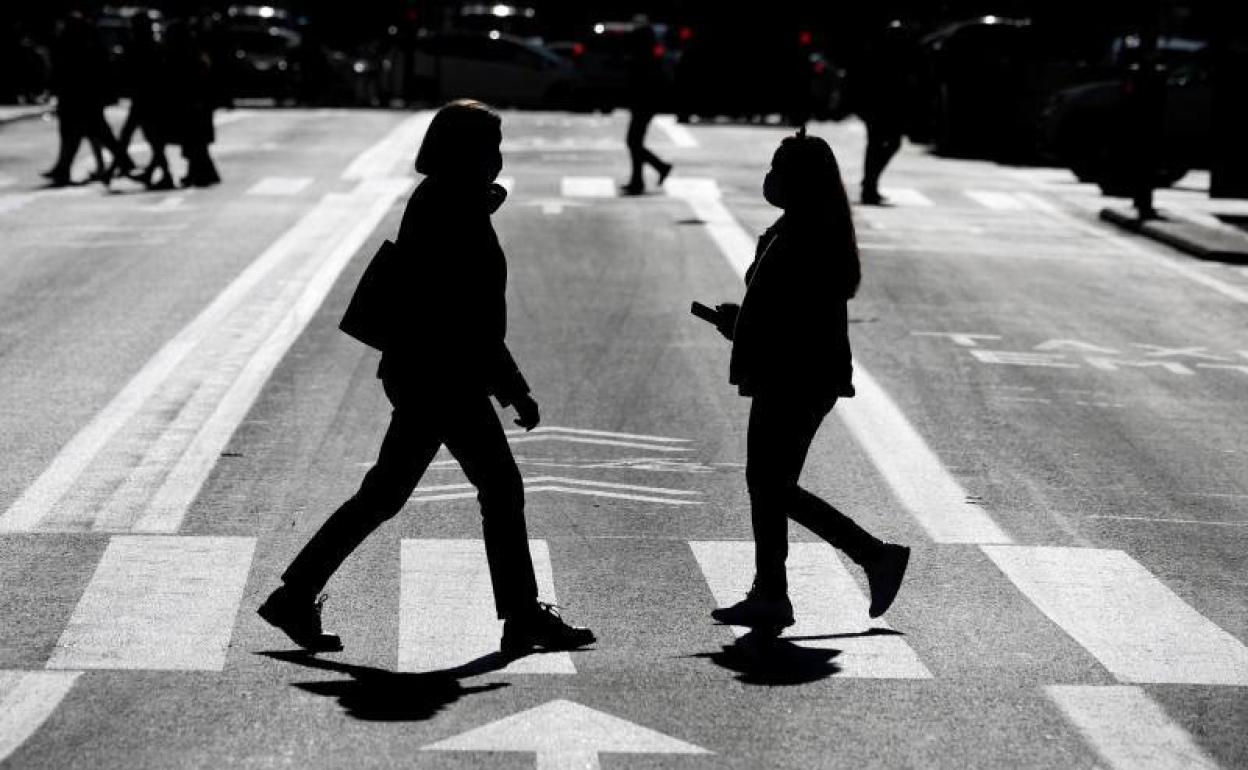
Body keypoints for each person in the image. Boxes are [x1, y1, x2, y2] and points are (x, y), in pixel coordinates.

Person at [259, 100, 595, 656]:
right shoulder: (452, 207)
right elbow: (466, 316)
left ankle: (296, 593)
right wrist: (513, 388)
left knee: (387, 494)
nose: (498, 157)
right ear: (467, 152)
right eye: (490, 146)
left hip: (426, 371)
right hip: (445, 375)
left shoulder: (444, 199)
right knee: (498, 489)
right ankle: (520, 616)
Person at [703, 129, 910, 631]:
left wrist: (747, 326)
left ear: (798, 180)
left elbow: (794, 318)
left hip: (796, 377)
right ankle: (773, 590)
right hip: (792, 372)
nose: (769, 177)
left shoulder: (805, 235)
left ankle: (871, 557)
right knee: (768, 484)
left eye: (778, 168)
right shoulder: (798, 226)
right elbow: (776, 309)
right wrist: (741, 321)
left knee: (771, 485)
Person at [42, 13, 129, 187]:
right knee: (85, 135)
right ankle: (64, 168)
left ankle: (64, 168)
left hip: (79, 98)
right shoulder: (89, 47)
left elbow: (63, 73)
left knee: (82, 134)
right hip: (83, 98)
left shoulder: (76, 48)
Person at [856, 20, 913, 206]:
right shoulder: (878, 56)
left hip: (889, 109)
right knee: (877, 146)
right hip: (877, 109)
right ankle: (869, 185)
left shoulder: (901, 57)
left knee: (887, 145)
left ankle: (870, 182)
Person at [116, 13, 173, 189]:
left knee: (147, 137)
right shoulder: (154, 46)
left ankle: (163, 174)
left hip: (145, 98)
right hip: (150, 97)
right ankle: (155, 172)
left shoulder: (140, 46)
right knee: (151, 138)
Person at [165, 20, 221, 188]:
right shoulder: (193, 52)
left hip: (195, 104)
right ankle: (199, 173)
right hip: (196, 103)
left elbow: (196, 80)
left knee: (195, 142)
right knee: (195, 142)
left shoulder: (189, 54)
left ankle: (201, 174)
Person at [621, 23, 673, 196]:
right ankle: (639, 179)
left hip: (643, 105)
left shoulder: (645, 57)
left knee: (633, 142)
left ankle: (656, 169)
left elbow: (642, 83)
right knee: (635, 142)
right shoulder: (648, 55)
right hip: (644, 105)